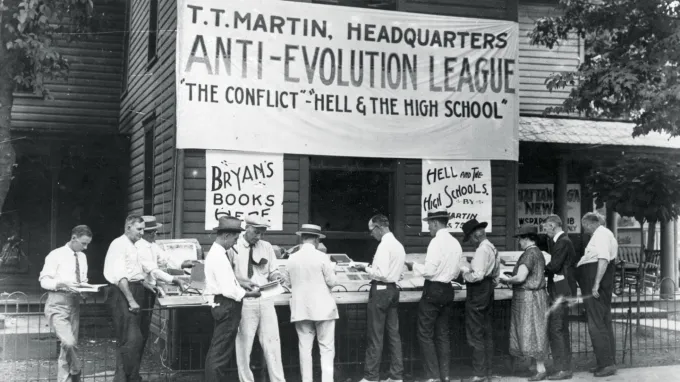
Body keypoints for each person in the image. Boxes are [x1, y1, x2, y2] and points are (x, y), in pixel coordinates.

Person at [103, 214, 185, 382]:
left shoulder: (134, 246)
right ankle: (124, 379)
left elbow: (140, 271)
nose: (142, 233)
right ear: (128, 227)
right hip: (122, 292)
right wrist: (131, 300)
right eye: (139, 229)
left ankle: (130, 377)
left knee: (135, 340)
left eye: (143, 230)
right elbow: (121, 277)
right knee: (132, 339)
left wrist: (147, 284)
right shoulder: (119, 245)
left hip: (136, 288)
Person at [405, 208, 462, 382]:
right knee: (442, 334)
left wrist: (414, 266)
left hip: (433, 290)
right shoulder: (455, 243)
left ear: (436, 223)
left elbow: (429, 271)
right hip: (448, 290)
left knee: (425, 334)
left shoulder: (436, 243)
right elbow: (456, 271)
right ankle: (445, 375)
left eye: (429, 224)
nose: (428, 227)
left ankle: (432, 376)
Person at [203, 216, 261, 382]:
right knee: (220, 354)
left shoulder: (218, 253)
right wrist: (249, 294)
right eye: (235, 239)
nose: (235, 243)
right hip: (227, 305)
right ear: (226, 235)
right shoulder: (219, 257)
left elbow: (227, 281)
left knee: (218, 350)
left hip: (222, 304)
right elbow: (228, 290)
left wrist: (241, 283)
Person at [230, 215, 287, 382]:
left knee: (273, 343)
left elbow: (272, 270)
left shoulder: (267, 247)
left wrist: (277, 276)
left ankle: (278, 380)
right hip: (245, 300)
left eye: (262, 233)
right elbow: (227, 276)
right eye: (256, 232)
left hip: (266, 299)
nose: (259, 236)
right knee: (244, 345)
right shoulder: (234, 246)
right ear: (246, 228)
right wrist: (240, 281)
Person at [353, 215, 405, 382]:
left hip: (381, 290)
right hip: (393, 290)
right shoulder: (398, 245)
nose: (371, 234)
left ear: (378, 227)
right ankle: (396, 376)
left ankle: (371, 377)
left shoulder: (384, 246)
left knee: (375, 335)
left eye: (371, 230)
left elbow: (381, 273)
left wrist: (365, 268)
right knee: (394, 335)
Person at [39, 225, 93, 382]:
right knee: (68, 343)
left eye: (88, 244)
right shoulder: (55, 255)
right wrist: (61, 283)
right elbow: (44, 281)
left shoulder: (82, 257)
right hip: (57, 303)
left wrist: (85, 288)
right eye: (83, 243)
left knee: (66, 348)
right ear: (74, 238)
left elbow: (82, 279)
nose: (86, 247)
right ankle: (76, 371)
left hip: (74, 304)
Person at [286, 224, 339, 382]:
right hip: (323, 309)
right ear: (316, 239)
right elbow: (332, 281)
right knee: (327, 349)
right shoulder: (322, 257)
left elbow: (288, 282)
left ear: (302, 238)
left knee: (305, 349)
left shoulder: (291, 258)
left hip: (301, 309)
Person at [499, 224, 550, 382]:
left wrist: (506, 280)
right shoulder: (538, 253)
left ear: (527, 238)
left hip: (528, 298)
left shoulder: (528, 254)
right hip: (538, 296)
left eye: (520, 238)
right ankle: (536, 367)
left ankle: (540, 369)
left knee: (532, 331)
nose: (519, 241)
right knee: (537, 330)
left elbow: (521, 278)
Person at [135, 215, 188, 361]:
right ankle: (132, 367)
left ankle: (136, 366)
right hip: (140, 290)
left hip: (150, 289)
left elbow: (165, 258)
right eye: (152, 232)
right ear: (146, 233)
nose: (155, 235)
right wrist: (173, 279)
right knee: (138, 330)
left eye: (155, 232)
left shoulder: (152, 245)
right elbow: (153, 270)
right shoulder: (139, 247)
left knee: (144, 328)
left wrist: (183, 264)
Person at [576, 212, 618, 377]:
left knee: (596, 324)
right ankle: (607, 361)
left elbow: (603, 259)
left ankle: (606, 364)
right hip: (598, 281)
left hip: (596, 283)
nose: (584, 228)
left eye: (585, 224)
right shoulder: (605, 235)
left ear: (592, 223)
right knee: (603, 322)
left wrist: (596, 284)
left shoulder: (601, 235)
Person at [460, 219, 500, 382]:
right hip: (489, 288)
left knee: (475, 331)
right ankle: (487, 370)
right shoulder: (492, 247)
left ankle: (479, 373)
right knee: (486, 330)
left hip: (478, 291)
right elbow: (496, 275)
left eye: (469, 237)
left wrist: (464, 273)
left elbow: (477, 275)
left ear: (476, 235)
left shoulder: (482, 250)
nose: (469, 241)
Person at [543, 215, 577, 380]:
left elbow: (555, 266)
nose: (544, 230)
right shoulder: (562, 241)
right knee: (561, 328)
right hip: (563, 289)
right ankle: (565, 367)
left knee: (556, 328)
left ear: (553, 225)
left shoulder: (562, 241)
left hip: (560, 290)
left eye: (546, 227)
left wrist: (541, 267)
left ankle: (562, 369)